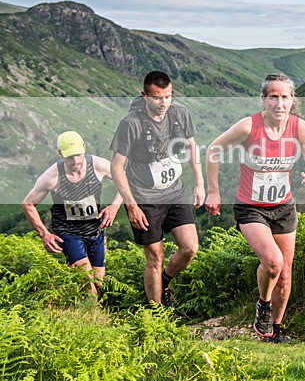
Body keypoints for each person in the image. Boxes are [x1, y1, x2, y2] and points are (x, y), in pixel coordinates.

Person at [204, 73, 305, 343]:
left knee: (285, 272)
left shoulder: (300, 128)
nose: (280, 103)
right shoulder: (249, 126)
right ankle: (263, 304)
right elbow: (213, 149)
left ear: (292, 100)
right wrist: (213, 191)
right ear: (264, 100)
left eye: (285, 97)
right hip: (251, 208)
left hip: (283, 206)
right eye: (274, 96)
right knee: (273, 262)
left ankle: (277, 329)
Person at [110, 71, 204, 307]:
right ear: (145, 96)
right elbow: (116, 167)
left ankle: (164, 281)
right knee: (155, 256)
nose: (163, 103)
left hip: (175, 191)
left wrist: (200, 183)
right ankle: (157, 314)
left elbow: (192, 147)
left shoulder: (180, 113)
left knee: (190, 247)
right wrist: (131, 206)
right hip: (144, 196)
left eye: (168, 97)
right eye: (157, 98)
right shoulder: (130, 123)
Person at [22, 131, 122, 295]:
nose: (75, 161)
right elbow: (28, 204)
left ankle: (77, 305)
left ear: (84, 148)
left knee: (99, 282)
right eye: (69, 157)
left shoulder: (98, 165)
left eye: (78, 155)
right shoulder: (51, 177)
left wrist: (114, 207)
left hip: (94, 230)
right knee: (88, 284)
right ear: (60, 154)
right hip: (68, 233)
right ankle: (94, 317)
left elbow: (125, 181)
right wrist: (44, 234)